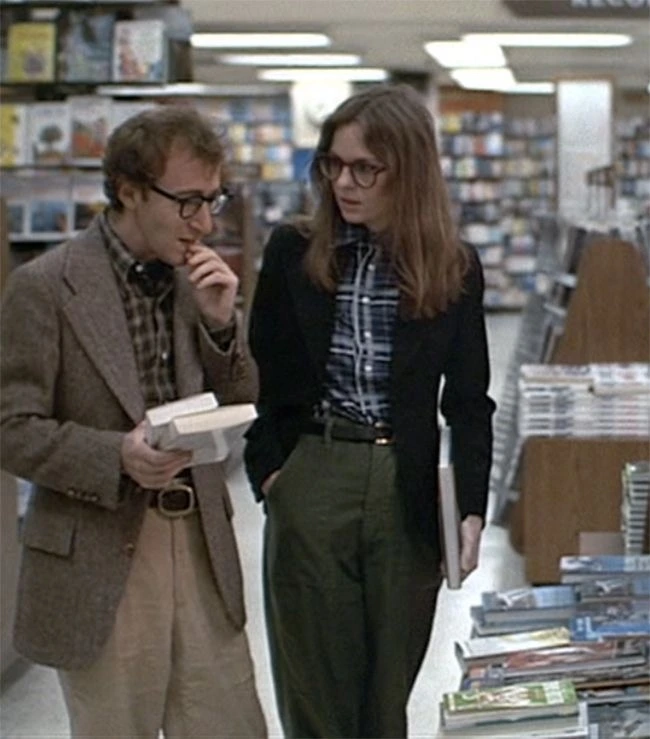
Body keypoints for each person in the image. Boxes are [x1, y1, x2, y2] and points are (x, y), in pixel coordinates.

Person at [0, 106, 267, 739]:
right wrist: (115, 454)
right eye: (188, 202)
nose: (205, 223)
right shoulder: (45, 287)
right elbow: (11, 426)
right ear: (129, 190)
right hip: (100, 550)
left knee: (231, 722)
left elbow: (241, 400)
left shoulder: (196, 280)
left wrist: (221, 326)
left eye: (213, 200)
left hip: (200, 541)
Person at [244, 83, 496, 738]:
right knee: (314, 692)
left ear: (406, 173)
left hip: (403, 483)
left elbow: (469, 401)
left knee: (387, 697)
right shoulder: (293, 250)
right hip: (315, 466)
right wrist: (273, 474)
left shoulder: (453, 267)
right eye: (334, 164)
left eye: (365, 169)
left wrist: (470, 508)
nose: (344, 184)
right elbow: (261, 375)